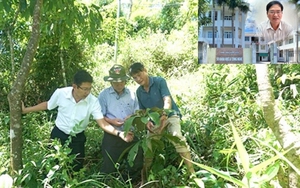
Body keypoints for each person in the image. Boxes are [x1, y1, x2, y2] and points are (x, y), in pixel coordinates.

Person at [22, 70, 134, 172]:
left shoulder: (93, 101)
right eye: (84, 89)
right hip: (58, 135)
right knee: (52, 167)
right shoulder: (61, 93)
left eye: (89, 88)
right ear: (75, 86)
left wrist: (119, 133)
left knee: (76, 169)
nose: (87, 92)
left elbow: (102, 123)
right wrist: (26, 110)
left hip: (77, 138)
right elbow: (48, 105)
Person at [128, 62, 195, 182]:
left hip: (169, 115)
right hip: (155, 121)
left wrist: (164, 115)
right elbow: (144, 111)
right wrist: (147, 121)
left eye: (139, 75)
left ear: (145, 70)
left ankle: (192, 174)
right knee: (148, 147)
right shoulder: (139, 91)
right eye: (135, 78)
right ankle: (145, 179)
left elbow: (167, 99)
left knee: (177, 137)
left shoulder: (159, 81)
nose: (138, 79)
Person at [98, 64, 143, 182]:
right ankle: (108, 182)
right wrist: (112, 121)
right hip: (112, 133)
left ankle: (127, 181)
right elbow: (100, 117)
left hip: (130, 133)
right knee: (109, 166)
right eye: (116, 83)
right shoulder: (104, 95)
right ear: (110, 82)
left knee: (137, 160)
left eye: (122, 82)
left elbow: (137, 112)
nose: (119, 85)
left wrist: (132, 117)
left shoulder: (132, 94)